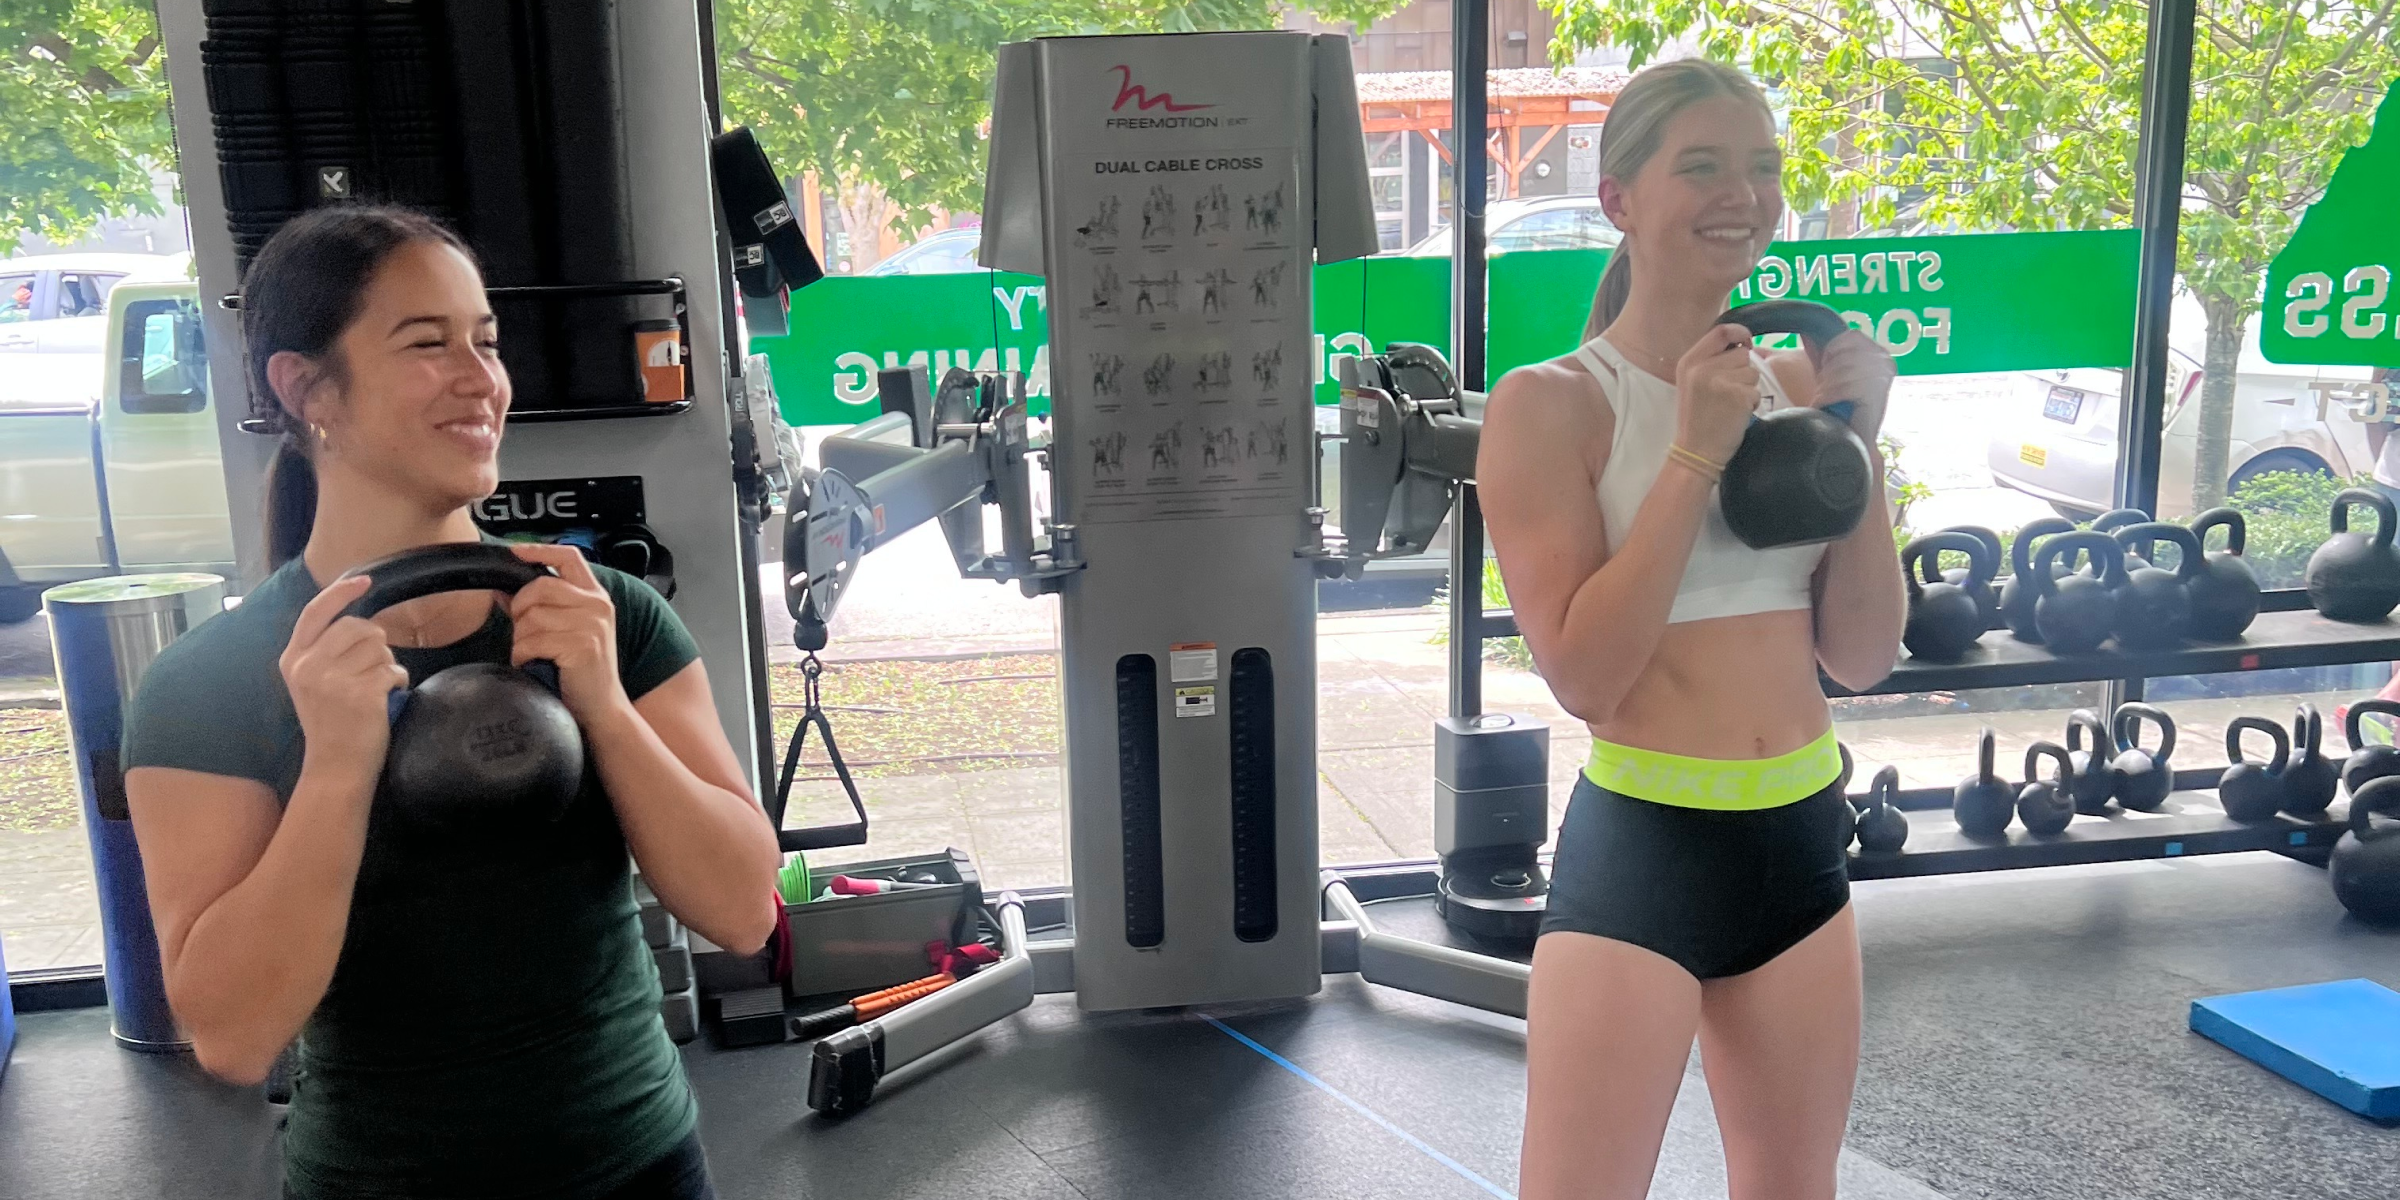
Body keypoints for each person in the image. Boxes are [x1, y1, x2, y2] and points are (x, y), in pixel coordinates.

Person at [120, 205, 783, 1200]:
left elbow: (740, 912)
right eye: (428, 345)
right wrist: (339, 767)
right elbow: (232, 1033)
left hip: (641, 1168)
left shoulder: (610, 621)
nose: (483, 381)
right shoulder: (207, 684)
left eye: (487, 341)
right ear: (304, 388)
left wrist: (602, 705)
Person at [1477, 61, 1905, 1200]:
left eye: (1761, 167)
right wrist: (1693, 452)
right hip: (1650, 849)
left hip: (1802, 839)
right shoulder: (1551, 403)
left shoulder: (1798, 378)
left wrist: (1859, 445)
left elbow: (1861, 656)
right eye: (1702, 165)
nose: (1743, 194)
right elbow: (1586, 676)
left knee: (1791, 1187)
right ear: (1619, 198)